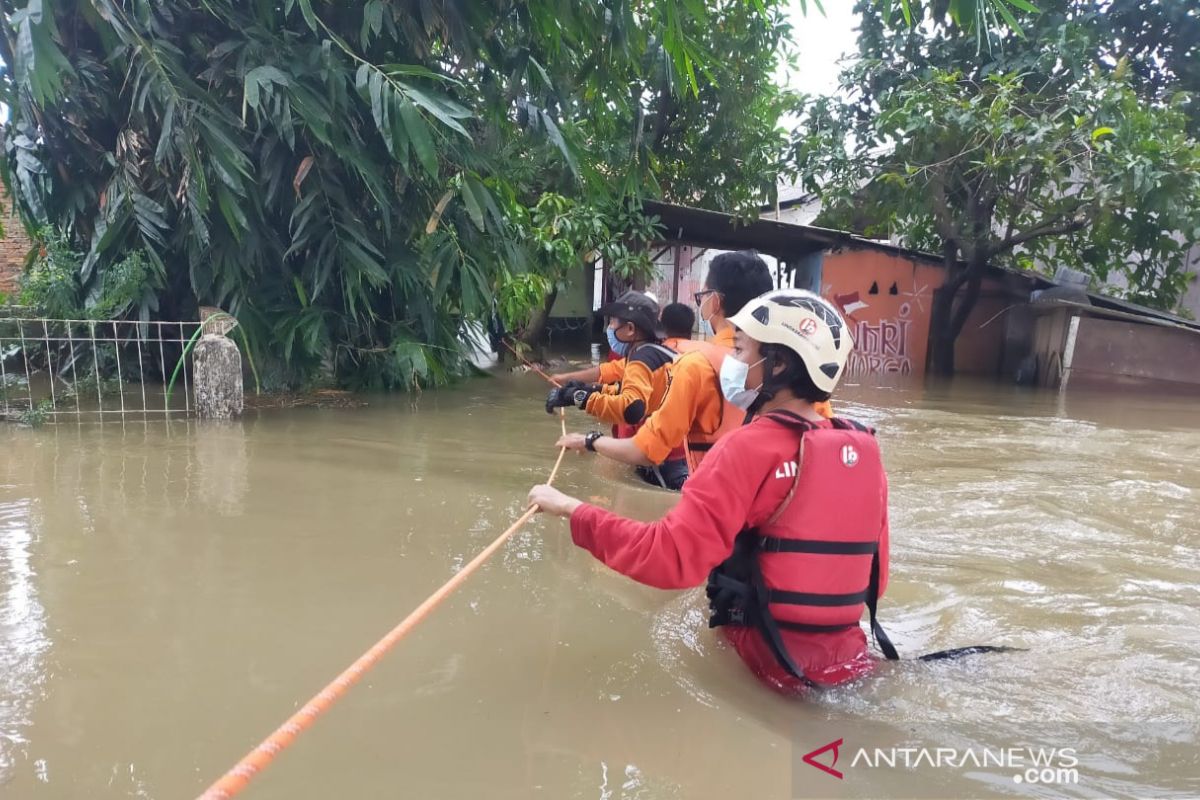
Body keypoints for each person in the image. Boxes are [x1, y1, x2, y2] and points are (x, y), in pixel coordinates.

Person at [529, 289, 887, 694]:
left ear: (780, 364)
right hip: (853, 662)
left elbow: (666, 557)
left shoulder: (747, 448)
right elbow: (877, 578)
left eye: (740, 350)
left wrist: (571, 509)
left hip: (771, 669)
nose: (732, 362)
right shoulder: (861, 445)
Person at [552, 251, 775, 478]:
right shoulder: (780, 365)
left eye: (702, 296)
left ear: (715, 301)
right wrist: (582, 391)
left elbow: (643, 438)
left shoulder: (696, 363)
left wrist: (588, 437)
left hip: (706, 488)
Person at [544, 291, 684, 488]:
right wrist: (584, 392)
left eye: (613, 322)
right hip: (679, 452)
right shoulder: (660, 354)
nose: (610, 328)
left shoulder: (641, 360)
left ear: (630, 329)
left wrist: (579, 397)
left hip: (665, 462)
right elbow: (623, 390)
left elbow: (632, 408)